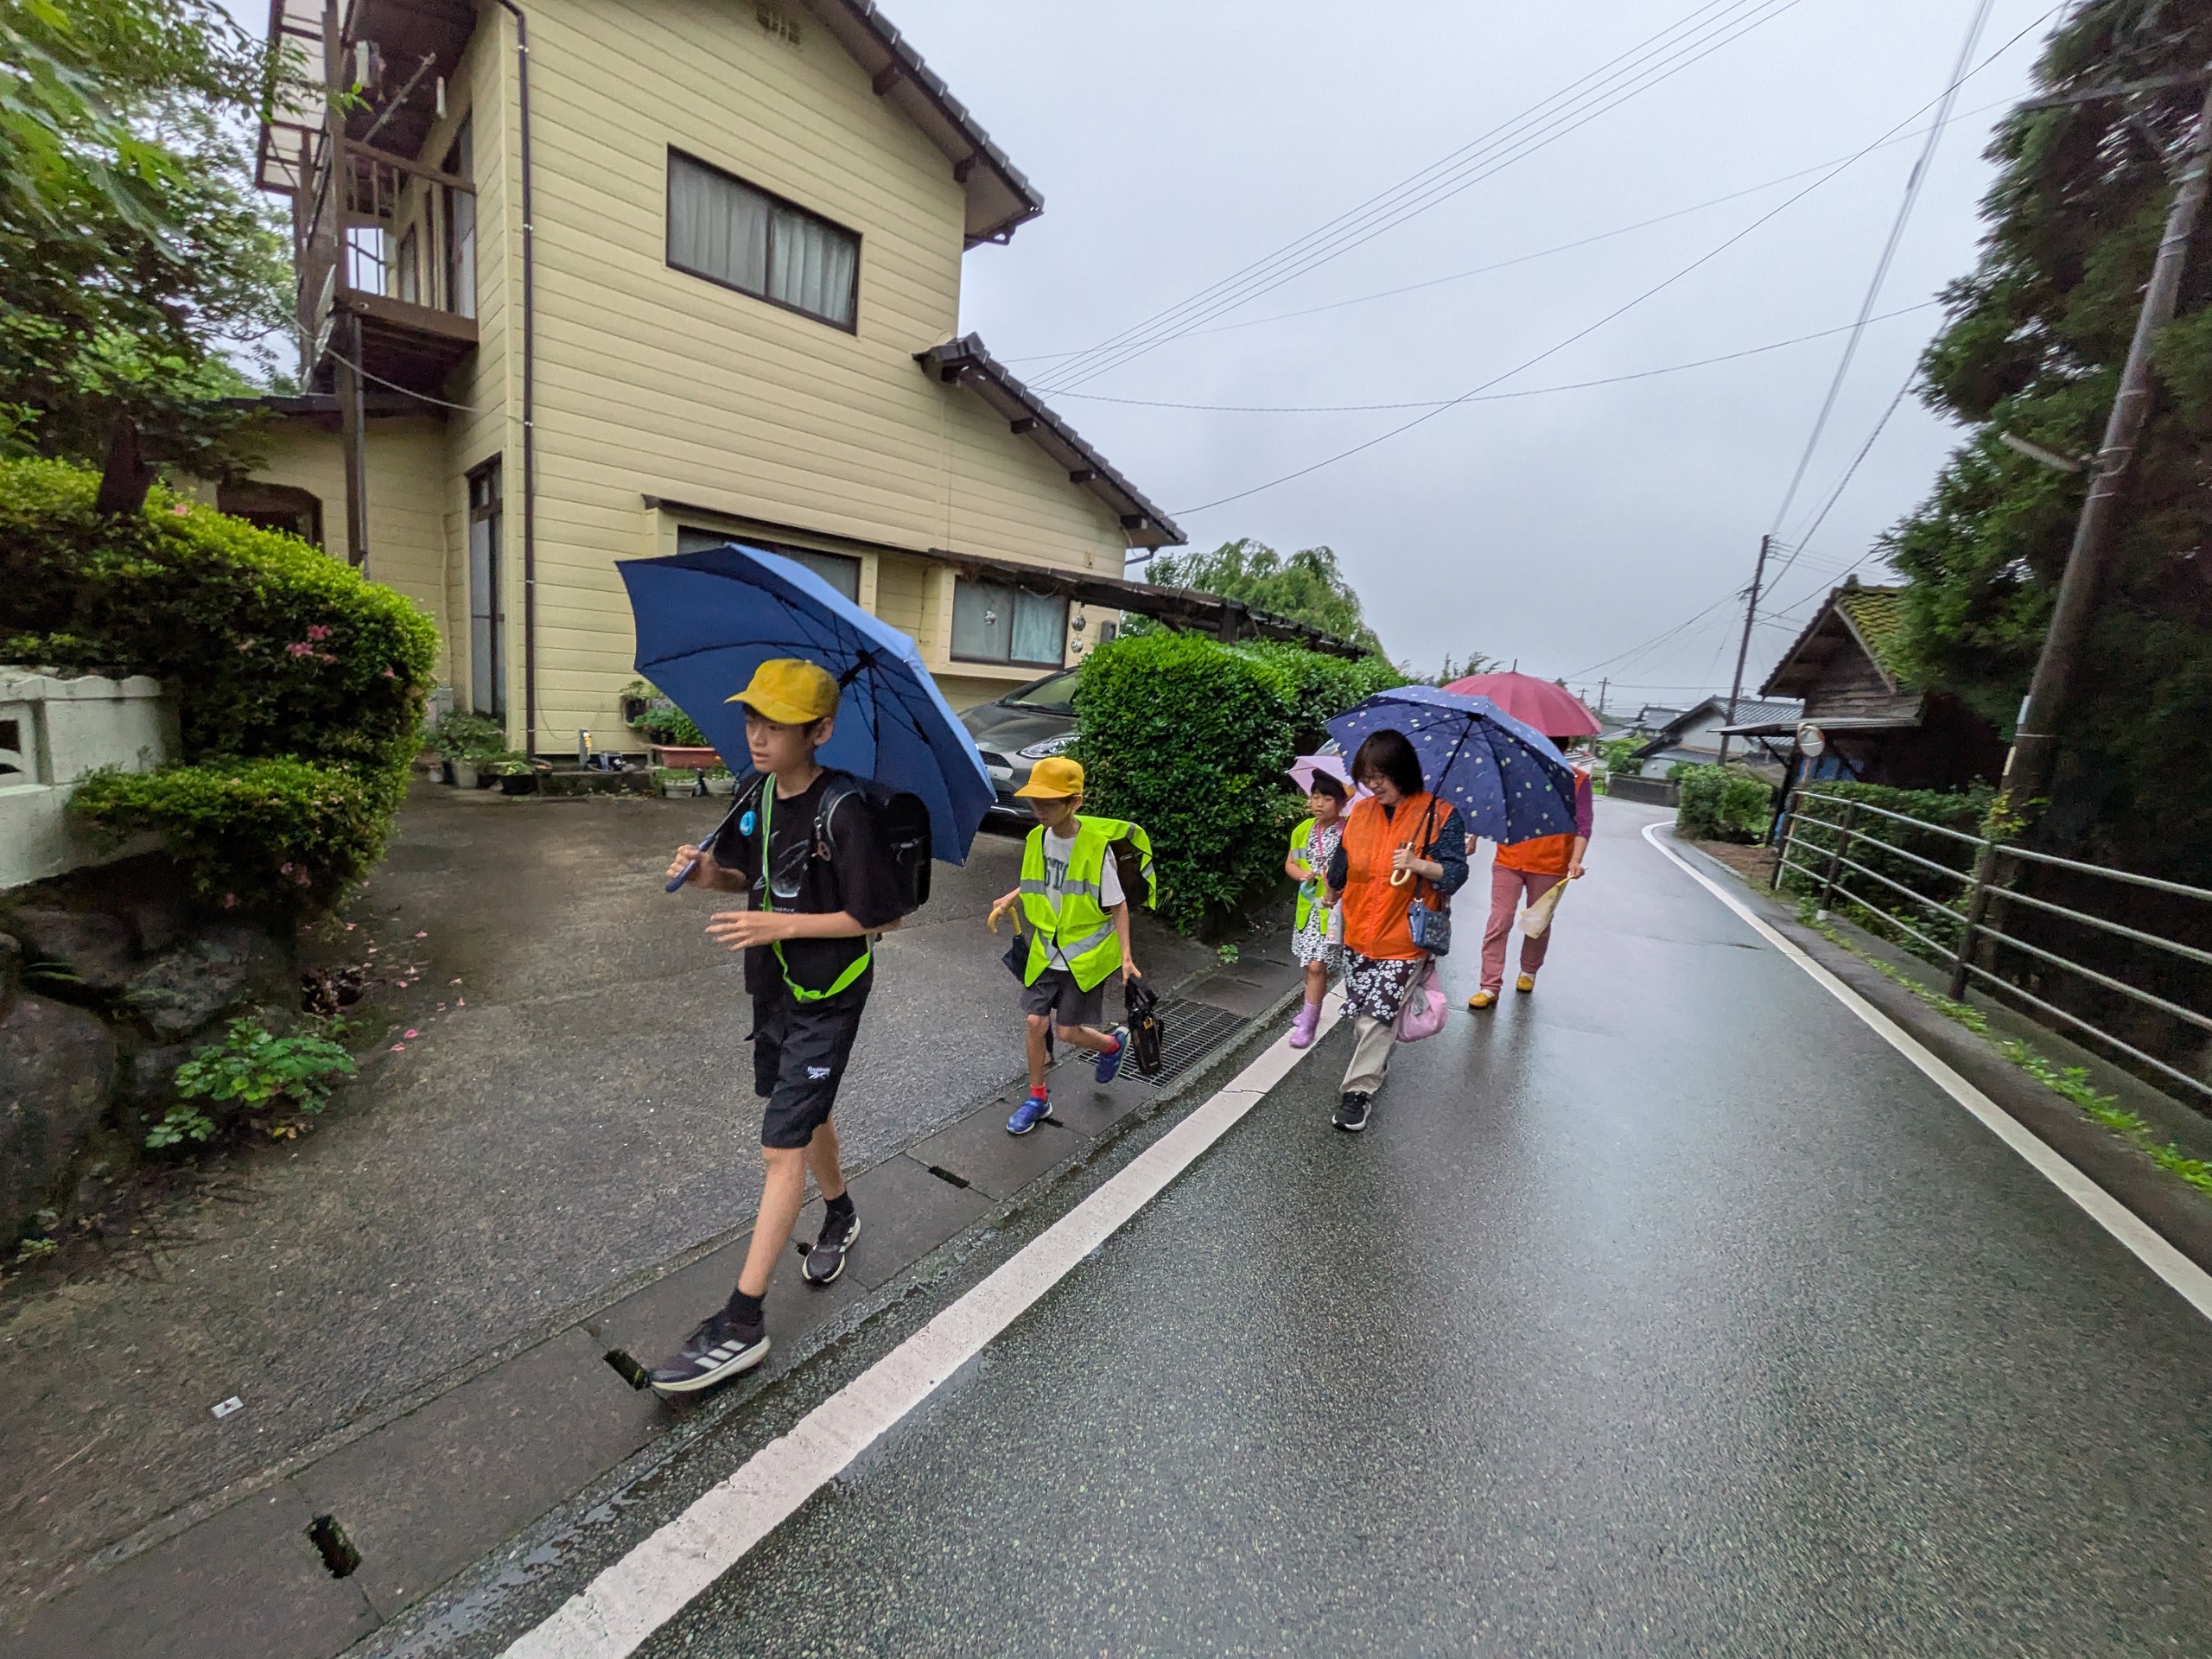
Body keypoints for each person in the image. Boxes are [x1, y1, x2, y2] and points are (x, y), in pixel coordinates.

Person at [649, 659, 909, 1395]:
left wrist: (781, 924)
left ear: (819, 732)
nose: (758, 737)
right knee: (804, 1110)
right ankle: (840, 1212)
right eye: (752, 720)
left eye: (777, 725)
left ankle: (742, 1322)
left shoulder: (845, 809)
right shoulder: (754, 792)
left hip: (830, 992)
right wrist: (712, 877)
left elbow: (882, 916)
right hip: (773, 985)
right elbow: (745, 874)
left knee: (780, 1144)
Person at [987, 756, 1150, 1135]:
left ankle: (1111, 1045)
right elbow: (1041, 880)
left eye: (1049, 803)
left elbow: (1118, 904)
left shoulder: (1095, 848)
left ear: (1075, 802)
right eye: (1035, 802)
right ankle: (1037, 1098)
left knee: (1067, 1032)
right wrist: (1012, 897)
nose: (1039, 810)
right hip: (1046, 950)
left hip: (1083, 958)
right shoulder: (1036, 838)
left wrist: (1126, 957)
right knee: (1034, 1021)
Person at [1323, 729, 1468, 1132]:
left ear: (1401, 771)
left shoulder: (1439, 815)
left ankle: (1357, 1093)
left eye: (1380, 776)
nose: (1372, 785)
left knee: (1377, 1014)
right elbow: (1343, 861)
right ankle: (1375, 1062)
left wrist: (1418, 864)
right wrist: (1332, 888)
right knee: (1365, 1014)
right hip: (1358, 934)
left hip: (1405, 937)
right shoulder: (1361, 813)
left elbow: (1455, 874)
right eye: (1366, 777)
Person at [1467, 743, 1594, 1009]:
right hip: (1509, 859)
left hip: (1551, 864)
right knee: (1500, 920)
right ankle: (1489, 985)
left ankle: (1529, 970)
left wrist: (1576, 859)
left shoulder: (1578, 780)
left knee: (1537, 923)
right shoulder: (1516, 771)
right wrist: (1474, 835)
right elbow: (1494, 804)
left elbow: (1583, 824)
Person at [1285, 770, 1350, 1048]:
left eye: (1327, 798)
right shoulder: (1302, 830)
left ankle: (1310, 1023)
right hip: (1308, 909)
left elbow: (1356, 871)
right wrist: (1302, 875)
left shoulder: (1349, 832)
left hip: (1333, 909)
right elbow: (1292, 863)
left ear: (1341, 803)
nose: (1319, 803)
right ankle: (1308, 1008)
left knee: (1316, 965)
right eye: (1315, 797)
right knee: (1307, 963)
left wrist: (1338, 888)